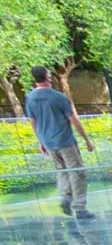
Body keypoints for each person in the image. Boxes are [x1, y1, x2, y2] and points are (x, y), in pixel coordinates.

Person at [25, 66, 94, 219]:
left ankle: (66, 196)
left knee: (62, 172)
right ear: (47, 77)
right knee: (77, 173)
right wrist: (87, 140)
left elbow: (33, 122)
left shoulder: (30, 98)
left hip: (49, 144)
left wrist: (41, 141)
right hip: (66, 142)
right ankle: (80, 208)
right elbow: (73, 119)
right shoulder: (59, 97)